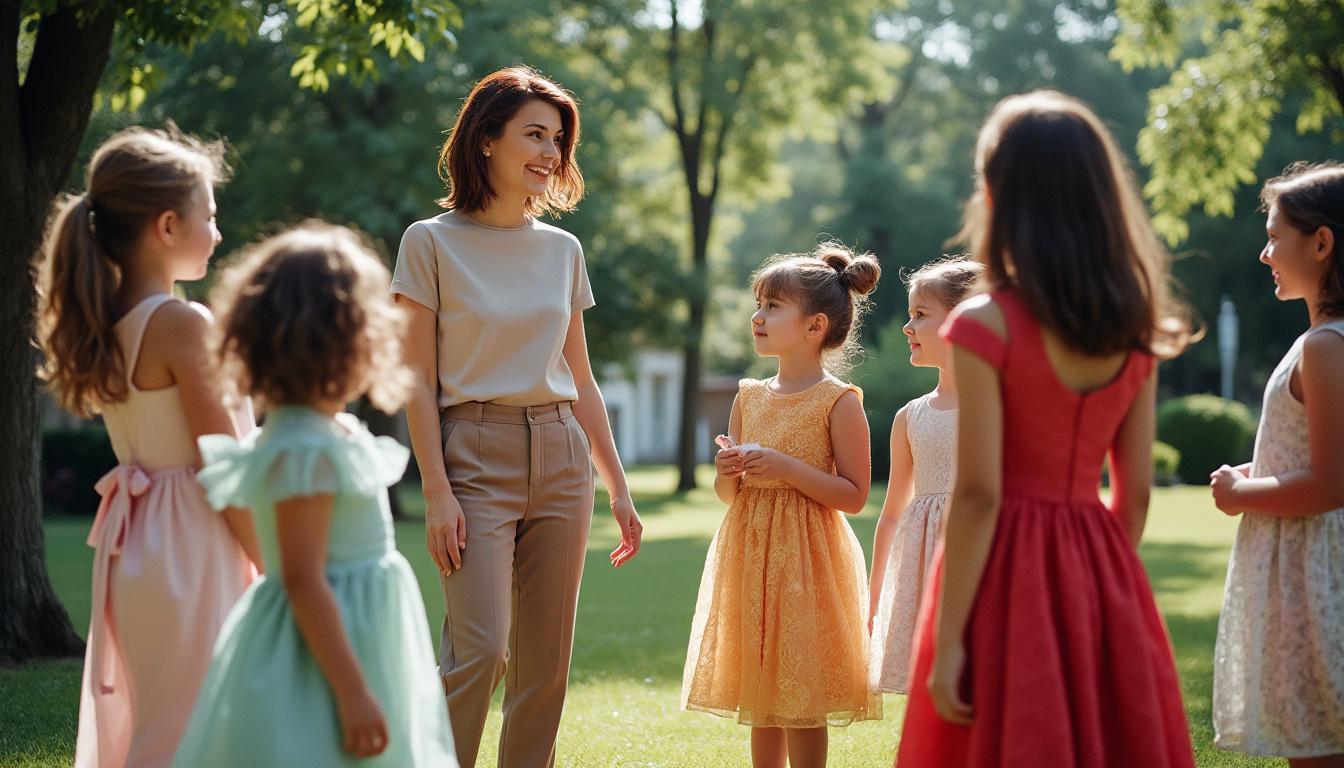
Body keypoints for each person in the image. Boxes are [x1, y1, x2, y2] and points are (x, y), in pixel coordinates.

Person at [896, 90, 1196, 767]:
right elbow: (1136, 493)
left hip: (1004, 569)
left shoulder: (983, 324)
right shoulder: (1136, 326)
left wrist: (947, 642)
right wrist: (1097, 590)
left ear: (1000, 195)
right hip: (1100, 561)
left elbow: (978, 495)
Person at [391, 65, 642, 767]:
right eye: (534, 134)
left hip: (562, 455)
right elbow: (414, 376)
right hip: (472, 450)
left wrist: (618, 487)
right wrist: (436, 491)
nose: (550, 154)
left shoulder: (563, 250)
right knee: (480, 651)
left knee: (545, 670)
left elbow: (581, 378)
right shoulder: (429, 242)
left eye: (558, 140)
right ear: (485, 141)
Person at [171, 224, 456, 767]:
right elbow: (303, 578)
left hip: (363, 634)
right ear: (347, 339)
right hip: (326, 652)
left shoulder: (326, 434)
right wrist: (352, 691)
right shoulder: (303, 447)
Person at [36, 126, 258, 768]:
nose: (217, 233)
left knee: (162, 724)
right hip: (193, 543)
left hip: (137, 547)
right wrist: (277, 568)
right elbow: (223, 466)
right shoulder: (179, 324)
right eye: (209, 216)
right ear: (167, 225)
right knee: (204, 727)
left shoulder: (109, 326)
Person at [683, 242, 883, 768]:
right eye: (759, 304)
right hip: (751, 555)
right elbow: (731, 496)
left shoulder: (839, 401)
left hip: (809, 560)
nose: (758, 317)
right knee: (761, 689)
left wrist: (789, 468)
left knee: (802, 690)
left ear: (815, 326)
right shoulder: (748, 396)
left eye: (774, 306)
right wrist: (728, 475)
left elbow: (856, 496)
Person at [1210, 162, 1344, 767]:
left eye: (1274, 237)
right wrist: (1261, 469)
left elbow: (1329, 483)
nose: (1265, 254)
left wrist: (1242, 493)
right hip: (1307, 564)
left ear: (1321, 243)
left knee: (1316, 742)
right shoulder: (1323, 340)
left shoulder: (1324, 346)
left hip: (1314, 573)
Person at [869, 256, 982, 695]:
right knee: (933, 684)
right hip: (924, 569)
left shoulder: (998, 406)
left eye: (920, 314)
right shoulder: (910, 417)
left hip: (980, 557)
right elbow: (892, 513)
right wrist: (877, 591)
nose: (906, 327)